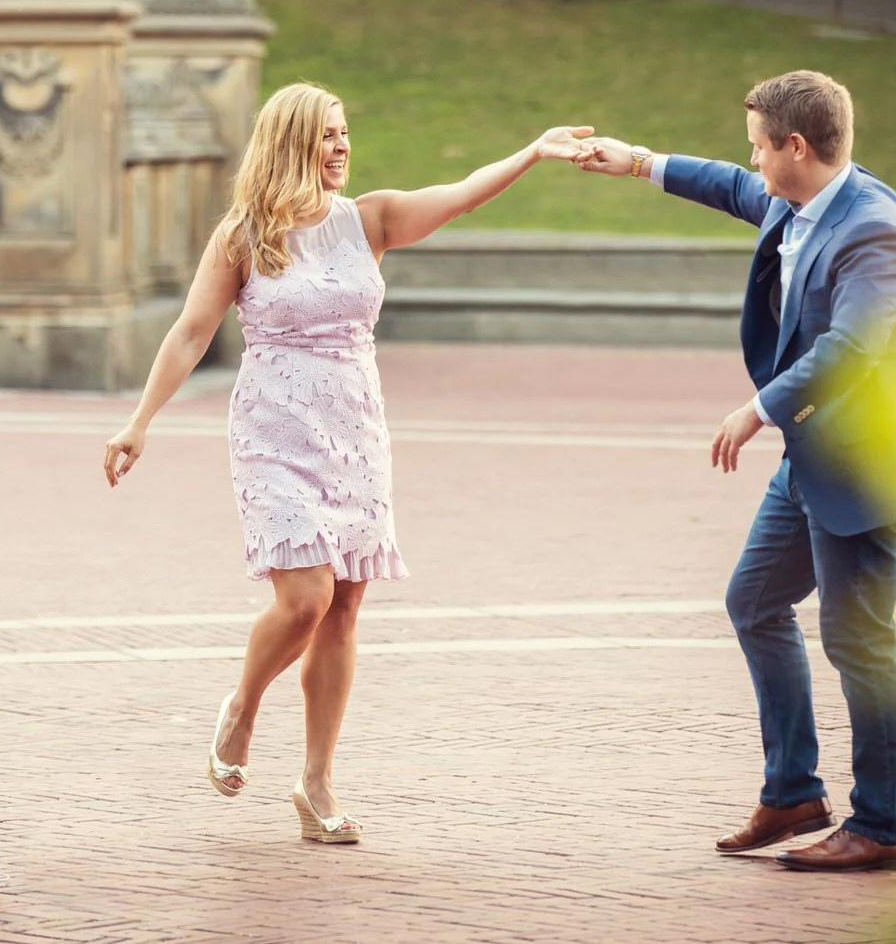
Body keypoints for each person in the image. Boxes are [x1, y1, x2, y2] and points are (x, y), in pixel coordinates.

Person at [103, 83, 594, 843]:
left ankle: (316, 780)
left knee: (344, 609)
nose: (343, 146)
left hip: (355, 432)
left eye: (345, 132)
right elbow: (191, 332)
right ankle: (241, 705)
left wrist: (532, 151)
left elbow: (460, 197)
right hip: (273, 431)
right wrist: (140, 421)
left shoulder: (370, 219)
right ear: (293, 143)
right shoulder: (244, 237)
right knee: (305, 597)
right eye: (328, 135)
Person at [577, 70, 896, 871]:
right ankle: (794, 792)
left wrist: (758, 407)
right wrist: (636, 161)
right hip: (814, 458)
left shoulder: (872, 231)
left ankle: (883, 825)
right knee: (755, 601)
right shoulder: (803, 196)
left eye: (760, 145)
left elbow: (852, 350)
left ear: (796, 146)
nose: (753, 161)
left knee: (859, 643)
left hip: (863, 465)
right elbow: (735, 186)